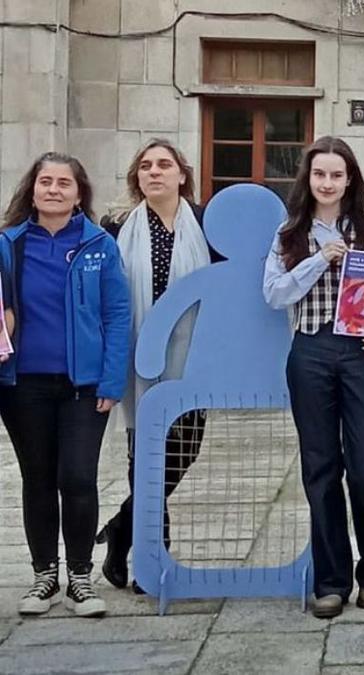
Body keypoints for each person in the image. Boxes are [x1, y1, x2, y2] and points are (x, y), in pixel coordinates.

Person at [263, 136, 364, 618]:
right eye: (320, 174)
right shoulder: (289, 233)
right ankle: (331, 579)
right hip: (310, 350)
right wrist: (321, 258)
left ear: (350, 179)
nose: (328, 182)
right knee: (320, 467)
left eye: (337, 174)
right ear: (308, 179)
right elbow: (274, 294)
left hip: (363, 353)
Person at [0, 152, 131, 617]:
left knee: (77, 477)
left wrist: (112, 379)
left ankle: (80, 577)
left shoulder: (99, 245)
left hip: (84, 386)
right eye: (45, 182)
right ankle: (43, 578)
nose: (53, 189)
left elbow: (118, 314)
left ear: (79, 194)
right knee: (38, 479)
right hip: (22, 384)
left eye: (63, 183)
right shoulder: (8, 244)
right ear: (32, 189)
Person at [95, 139, 215, 593]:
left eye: (165, 164)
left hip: (193, 356)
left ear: (182, 174)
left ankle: (121, 529)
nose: (155, 172)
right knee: (144, 456)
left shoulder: (204, 224)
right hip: (136, 357)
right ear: (137, 177)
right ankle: (152, 558)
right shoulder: (116, 227)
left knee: (184, 450)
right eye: (146, 166)